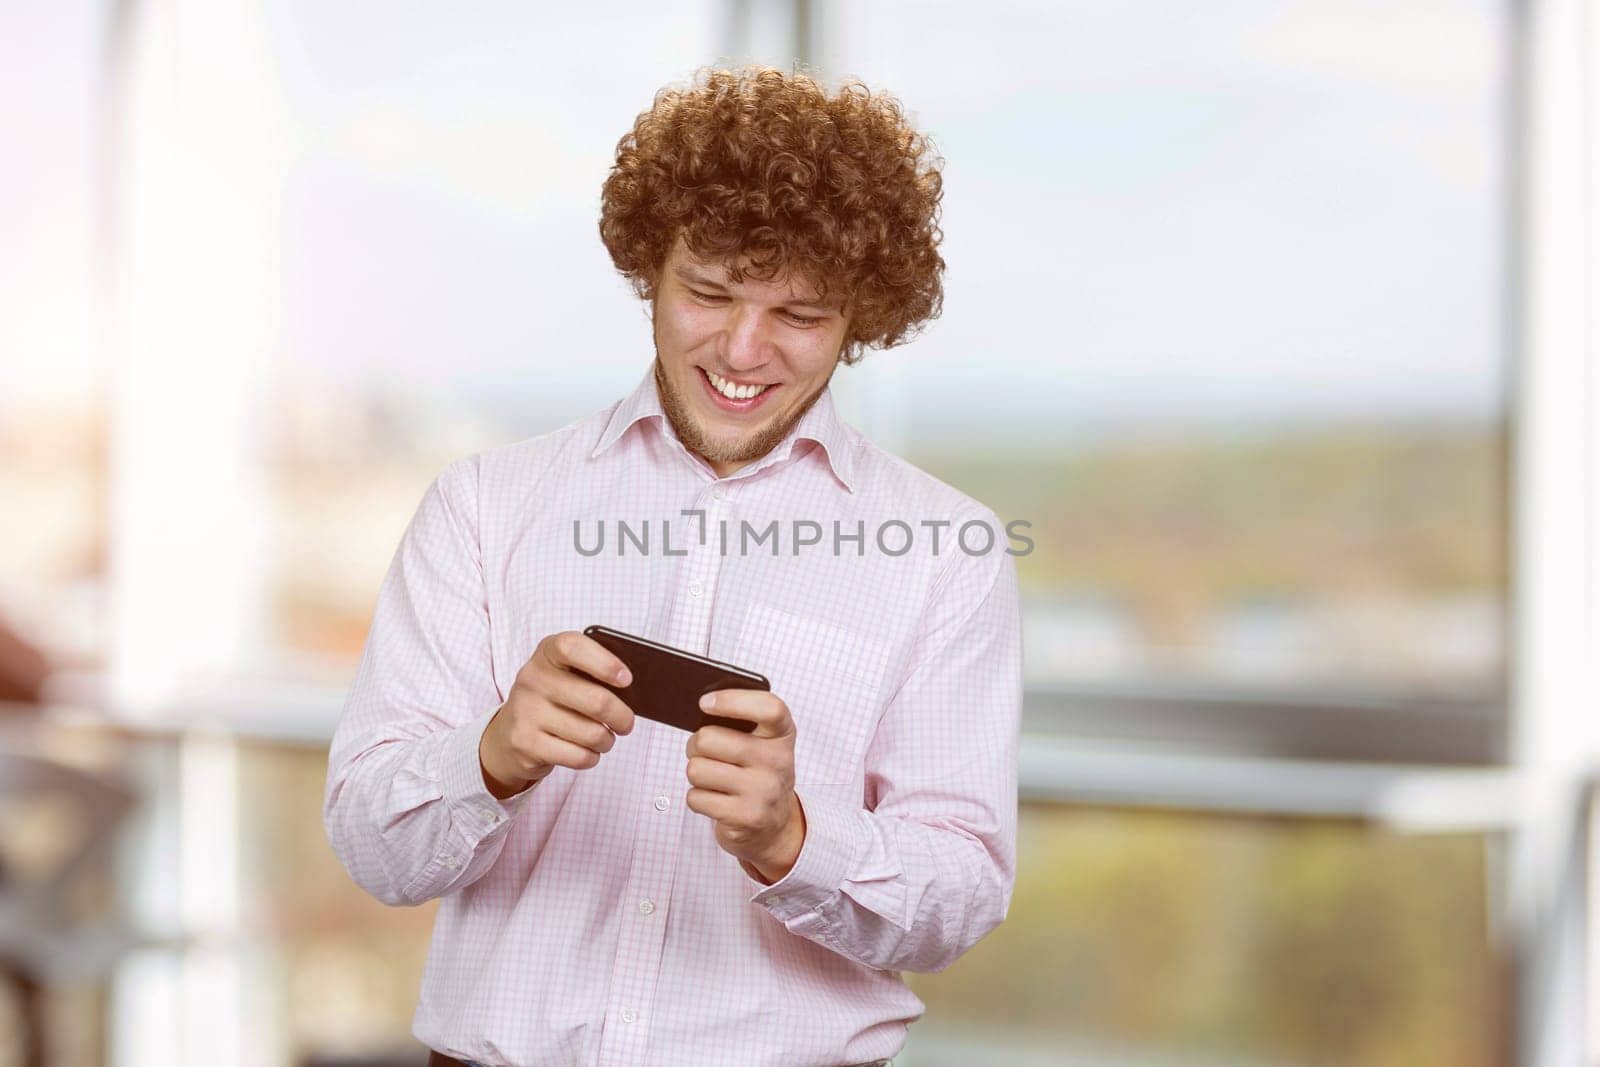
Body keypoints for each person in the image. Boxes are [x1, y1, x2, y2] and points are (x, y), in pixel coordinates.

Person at [324, 65, 1023, 1067]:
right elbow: (370, 846)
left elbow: (957, 894)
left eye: (801, 314)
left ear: (861, 317)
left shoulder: (945, 554)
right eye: (709, 292)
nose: (743, 348)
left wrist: (792, 837)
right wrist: (492, 755)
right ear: (648, 266)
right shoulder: (484, 508)